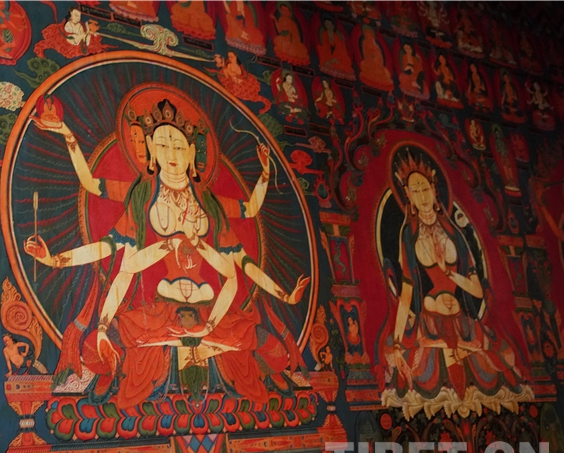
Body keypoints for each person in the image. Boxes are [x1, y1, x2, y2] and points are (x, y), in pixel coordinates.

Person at [25, 87, 310, 408]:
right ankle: (192, 348)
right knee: (93, 349)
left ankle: (206, 347)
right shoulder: (142, 197)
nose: (171, 153)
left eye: (178, 145)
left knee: (276, 353)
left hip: (212, 315)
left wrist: (286, 296)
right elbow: (105, 243)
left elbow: (247, 244)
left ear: (191, 152)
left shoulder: (209, 205)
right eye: (161, 144)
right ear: (150, 151)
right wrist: (54, 260)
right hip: (157, 316)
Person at [384, 150, 529, 407]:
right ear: (407, 196)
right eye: (415, 191)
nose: (422, 196)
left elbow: (477, 291)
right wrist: (397, 342)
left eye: (425, 189)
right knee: (412, 368)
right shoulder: (409, 234)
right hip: (430, 324)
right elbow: (407, 291)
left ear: (434, 189)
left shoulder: (454, 233)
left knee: (499, 363)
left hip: (463, 324)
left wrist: (450, 273)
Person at [358, 26, 393, 91]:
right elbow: (365, 53)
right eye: (366, 33)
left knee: (386, 74)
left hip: (377, 64)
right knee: (362, 65)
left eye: (369, 33)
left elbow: (380, 56)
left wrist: (377, 58)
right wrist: (371, 56)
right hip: (369, 62)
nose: (368, 35)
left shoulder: (375, 45)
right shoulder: (365, 43)